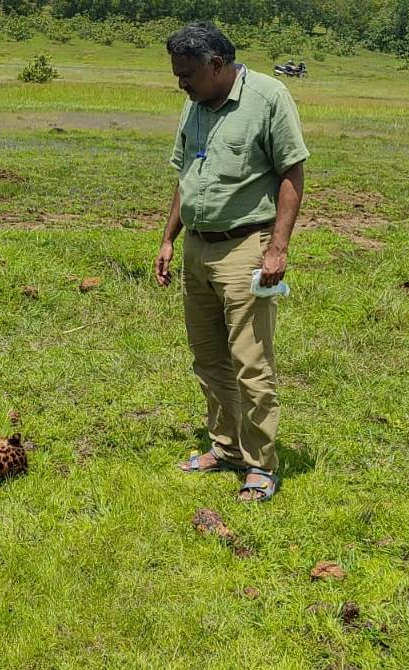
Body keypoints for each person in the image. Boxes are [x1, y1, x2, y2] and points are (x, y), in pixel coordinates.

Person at [154, 22, 309, 502]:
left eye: (187, 75)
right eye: (178, 75)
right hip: (197, 246)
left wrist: (277, 248)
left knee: (250, 362)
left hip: (246, 246)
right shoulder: (196, 103)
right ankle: (224, 448)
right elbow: (187, 174)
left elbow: (292, 172)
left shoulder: (268, 97)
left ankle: (260, 465)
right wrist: (168, 239)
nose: (181, 83)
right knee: (208, 359)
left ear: (217, 65)